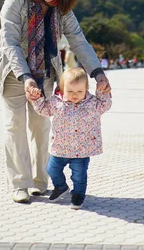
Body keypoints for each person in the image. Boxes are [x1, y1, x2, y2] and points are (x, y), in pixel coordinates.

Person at [0, 0, 111, 204]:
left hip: (45, 70)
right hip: (13, 68)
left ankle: (40, 181)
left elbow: (78, 40)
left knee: (41, 127)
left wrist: (98, 73)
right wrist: (25, 77)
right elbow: (10, 41)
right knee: (15, 125)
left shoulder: (62, 7)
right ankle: (19, 183)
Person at [30, 67, 112, 209]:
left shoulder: (92, 103)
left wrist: (101, 91)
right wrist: (37, 100)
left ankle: (78, 194)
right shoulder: (57, 103)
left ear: (86, 89)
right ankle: (61, 186)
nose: (75, 95)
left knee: (79, 176)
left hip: (82, 150)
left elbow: (106, 104)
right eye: (70, 91)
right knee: (51, 169)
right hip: (60, 148)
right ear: (62, 89)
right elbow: (43, 110)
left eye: (80, 91)